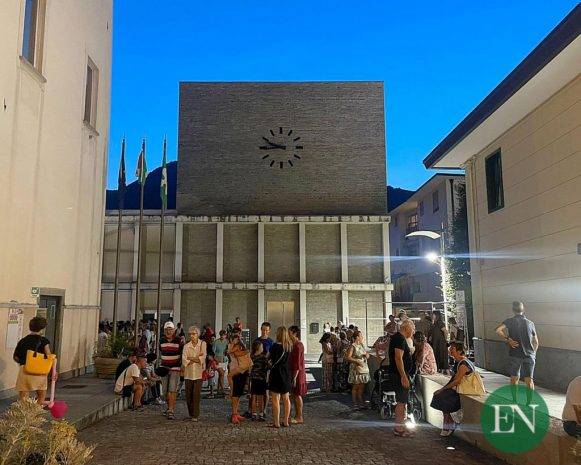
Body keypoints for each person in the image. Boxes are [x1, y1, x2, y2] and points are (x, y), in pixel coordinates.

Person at [495, 301, 539, 404]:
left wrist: (508, 339)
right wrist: (533, 354)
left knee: (514, 379)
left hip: (515, 355)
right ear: (523, 310)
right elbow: (536, 342)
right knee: (529, 380)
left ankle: (514, 400)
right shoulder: (530, 323)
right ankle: (529, 403)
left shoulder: (509, 321)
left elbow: (497, 330)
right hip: (529, 355)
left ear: (513, 310)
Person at [430, 342, 476, 436]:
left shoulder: (463, 364)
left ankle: (447, 424)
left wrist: (442, 389)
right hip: (457, 388)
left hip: (461, 390)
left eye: (453, 349)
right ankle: (449, 422)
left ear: (459, 351)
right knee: (440, 397)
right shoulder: (458, 362)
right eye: (450, 348)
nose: (450, 350)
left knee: (442, 398)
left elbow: (457, 381)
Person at [12, 317, 54, 405]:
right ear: (42, 329)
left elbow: (16, 357)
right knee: (41, 395)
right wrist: (54, 370)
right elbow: (49, 356)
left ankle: (25, 410)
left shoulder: (23, 341)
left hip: (25, 369)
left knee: (24, 395)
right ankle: (37, 410)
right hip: (40, 371)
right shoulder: (44, 341)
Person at [389, 319, 415, 437]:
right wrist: (403, 375)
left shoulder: (398, 338)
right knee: (401, 401)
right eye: (412, 329)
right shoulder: (399, 339)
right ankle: (399, 428)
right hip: (399, 375)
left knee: (402, 401)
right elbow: (398, 358)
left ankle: (401, 426)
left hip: (399, 374)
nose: (412, 332)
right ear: (406, 328)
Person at [159, 321, 185, 420]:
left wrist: (182, 365)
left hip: (175, 368)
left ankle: (171, 410)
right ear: (164, 330)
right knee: (165, 391)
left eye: (170, 329)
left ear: (173, 330)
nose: (168, 331)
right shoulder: (161, 340)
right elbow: (161, 352)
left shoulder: (179, 340)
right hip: (164, 368)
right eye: (167, 329)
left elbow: (183, 353)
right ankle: (168, 407)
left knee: (172, 390)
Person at [268, 326, 293, 428]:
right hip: (286, 374)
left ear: (278, 334)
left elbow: (267, 358)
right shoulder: (289, 346)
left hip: (275, 373)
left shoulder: (274, 347)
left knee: (275, 399)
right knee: (286, 398)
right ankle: (286, 421)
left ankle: (276, 422)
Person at [182, 326, 206, 421]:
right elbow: (184, 360)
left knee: (196, 395)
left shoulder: (202, 344)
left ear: (198, 334)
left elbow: (202, 358)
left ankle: (195, 414)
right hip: (188, 374)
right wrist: (196, 358)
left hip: (198, 373)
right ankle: (191, 413)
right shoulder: (186, 346)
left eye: (193, 334)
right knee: (188, 395)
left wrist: (190, 358)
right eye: (190, 334)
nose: (191, 336)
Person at [227, 333, 250, 424]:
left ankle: (236, 413)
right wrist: (246, 352)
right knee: (235, 394)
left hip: (242, 370)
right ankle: (234, 414)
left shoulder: (240, 345)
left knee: (238, 394)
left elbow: (245, 352)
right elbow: (235, 353)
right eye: (235, 337)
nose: (238, 338)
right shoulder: (231, 346)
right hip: (236, 370)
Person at [346, 330, 370, 410]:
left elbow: (366, 353)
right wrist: (356, 360)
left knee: (362, 386)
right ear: (357, 337)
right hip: (356, 368)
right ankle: (355, 404)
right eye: (361, 336)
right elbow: (348, 357)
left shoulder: (362, 345)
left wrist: (367, 355)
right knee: (356, 386)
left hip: (363, 367)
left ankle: (361, 403)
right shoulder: (352, 346)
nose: (362, 337)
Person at [288, 325, 306, 424]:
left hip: (297, 373)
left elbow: (297, 363)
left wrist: (294, 378)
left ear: (295, 334)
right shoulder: (295, 345)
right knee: (295, 395)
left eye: (289, 333)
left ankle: (299, 416)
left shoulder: (298, 346)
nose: (288, 335)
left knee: (297, 395)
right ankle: (297, 415)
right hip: (295, 372)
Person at [250, 341, 268, 421]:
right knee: (261, 397)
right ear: (259, 348)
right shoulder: (263, 357)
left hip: (254, 378)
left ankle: (253, 413)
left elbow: (250, 368)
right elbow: (267, 366)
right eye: (262, 347)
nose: (263, 348)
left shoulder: (252, 356)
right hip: (261, 378)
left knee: (254, 396)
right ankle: (261, 413)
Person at [212, 330, 229, 396]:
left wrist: (227, 352)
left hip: (224, 360)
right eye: (221, 335)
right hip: (217, 360)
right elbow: (213, 352)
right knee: (221, 374)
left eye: (224, 335)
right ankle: (222, 389)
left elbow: (227, 350)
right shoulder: (216, 342)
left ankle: (218, 390)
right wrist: (215, 359)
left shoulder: (226, 342)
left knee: (221, 375)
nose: (222, 336)